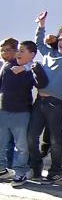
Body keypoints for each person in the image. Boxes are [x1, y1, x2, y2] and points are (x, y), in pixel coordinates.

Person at [27, 11, 62, 184]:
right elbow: (39, 44)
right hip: (39, 101)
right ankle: (36, 168)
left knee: (57, 139)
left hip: (56, 103)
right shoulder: (49, 53)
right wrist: (41, 25)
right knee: (31, 136)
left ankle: (56, 171)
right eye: (61, 39)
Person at [0, 41, 48, 187]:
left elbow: (42, 83)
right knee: (1, 143)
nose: (18, 53)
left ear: (32, 55)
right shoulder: (8, 65)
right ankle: (2, 169)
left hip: (21, 113)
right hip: (3, 111)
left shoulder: (34, 68)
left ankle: (20, 173)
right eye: (18, 51)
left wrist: (27, 68)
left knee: (22, 146)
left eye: (22, 51)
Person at [0, 38, 18, 169]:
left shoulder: (17, 65)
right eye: (2, 50)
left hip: (15, 109)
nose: (4, 53)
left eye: (8, 50)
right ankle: (6, 166)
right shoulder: (3, 65)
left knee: (14, 140)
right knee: (5, 140)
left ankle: (13, 167)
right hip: (3, 108)